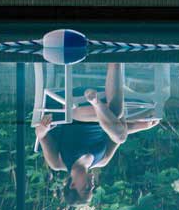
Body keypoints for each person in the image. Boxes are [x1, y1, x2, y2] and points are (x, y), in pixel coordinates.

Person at [35, 63, 161, 205]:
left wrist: (44, 128)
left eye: (87, 188)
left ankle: (113, 67)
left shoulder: (58, 162)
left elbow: (41, 135)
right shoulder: (102, 160)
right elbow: (120, 132)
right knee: (117, 123)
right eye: (92, 190)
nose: (93, 186)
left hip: (74, 112)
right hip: (105, 117)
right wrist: (143, 126)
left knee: (116, 114)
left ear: (72, 185)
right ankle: (97, 102)